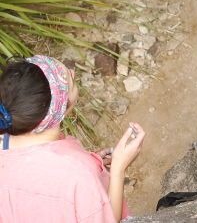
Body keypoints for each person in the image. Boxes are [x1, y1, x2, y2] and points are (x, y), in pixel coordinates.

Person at [0, 55, 145, 222]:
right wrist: (119, 168)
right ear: (61, 105)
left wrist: (92, 161)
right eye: (68, 79)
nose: (73, 72)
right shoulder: (77, 174)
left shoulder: (4, 143)